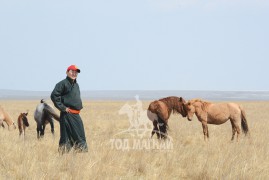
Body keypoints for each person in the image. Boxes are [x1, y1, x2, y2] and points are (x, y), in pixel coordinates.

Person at [51, 65, 88, 153]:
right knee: (66, 136)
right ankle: (65, 156)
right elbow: (54, 96)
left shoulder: (76, 84)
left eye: (76, 72)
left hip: (75, 114)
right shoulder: (62, 83)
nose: (74, 73)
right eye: (72, 71)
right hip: (68, 114)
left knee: (79, 134)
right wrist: (63, 108)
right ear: (67, 72)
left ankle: (76, 155)